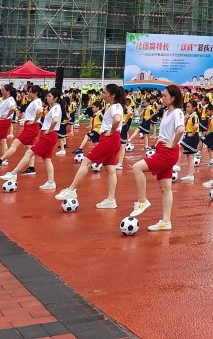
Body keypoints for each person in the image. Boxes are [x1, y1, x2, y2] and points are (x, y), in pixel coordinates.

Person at [55, 84, 125, 209]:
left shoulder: (115, 107)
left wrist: (112, 131)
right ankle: (111, 200)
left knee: (86, 162)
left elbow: (117, 120)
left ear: (112, 95)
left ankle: (71, 189)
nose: (102, 94)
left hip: (110, 139)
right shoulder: (115, 106)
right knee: (110, 169)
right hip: (112, 139)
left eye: (105, 92)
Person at [130, 85, 185, 231]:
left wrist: (173, 144)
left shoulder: (177, 112)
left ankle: (142, 201)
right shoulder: (167, 112)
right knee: (165, 188)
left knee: (137, 167)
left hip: (168, 152)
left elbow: (181, 130)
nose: (162, 97)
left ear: (173, 98)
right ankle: (166, 221)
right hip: (163, 149)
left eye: (165, 95)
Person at [1, 88, 62, 190]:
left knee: (29, 153)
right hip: (50, 135)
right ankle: (51, 182)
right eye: (47, 96)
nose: (47, 98)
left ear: (56, 98)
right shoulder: (55, 108)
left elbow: (55, 120)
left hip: (48, 135)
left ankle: (13, 173)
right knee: (47, 159)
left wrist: (49, 130)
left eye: (50, 96)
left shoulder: (56, 108)